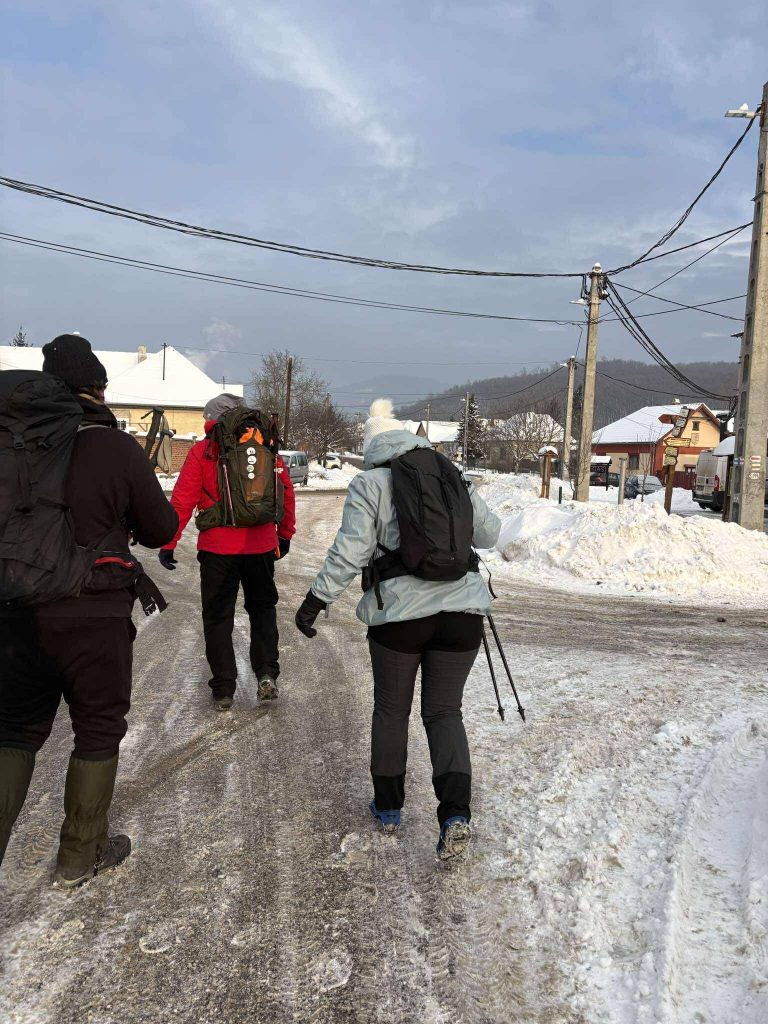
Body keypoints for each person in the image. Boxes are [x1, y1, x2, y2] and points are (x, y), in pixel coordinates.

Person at [0, 334, 179, 887]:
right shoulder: (113, 447)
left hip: (14, 610)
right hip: (93, 614)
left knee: (12, 731)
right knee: (98, 729)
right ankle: (80, 856)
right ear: (98, 388)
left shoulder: (11, 443)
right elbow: (161, 528)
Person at [295, 399, 500, 860]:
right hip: (463, 616)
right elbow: (489, 534)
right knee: (445, 713)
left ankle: (388, 807)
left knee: (391, 711)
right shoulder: (450, 475)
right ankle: (455, 815)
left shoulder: (370, 483)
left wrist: (316, 600)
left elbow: (350, 551)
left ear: (372, 448)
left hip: (399, 619)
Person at [158, 394, 296, 710]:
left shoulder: (204, 450)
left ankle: (223, 688)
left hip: (217, 550)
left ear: (213, 419)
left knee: (218, 617)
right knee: (262, 610)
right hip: (261, 545)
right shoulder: (265, 446)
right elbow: (285, 493)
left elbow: (182, 500)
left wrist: (169, 542)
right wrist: (284, 533)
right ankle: (266, 673)